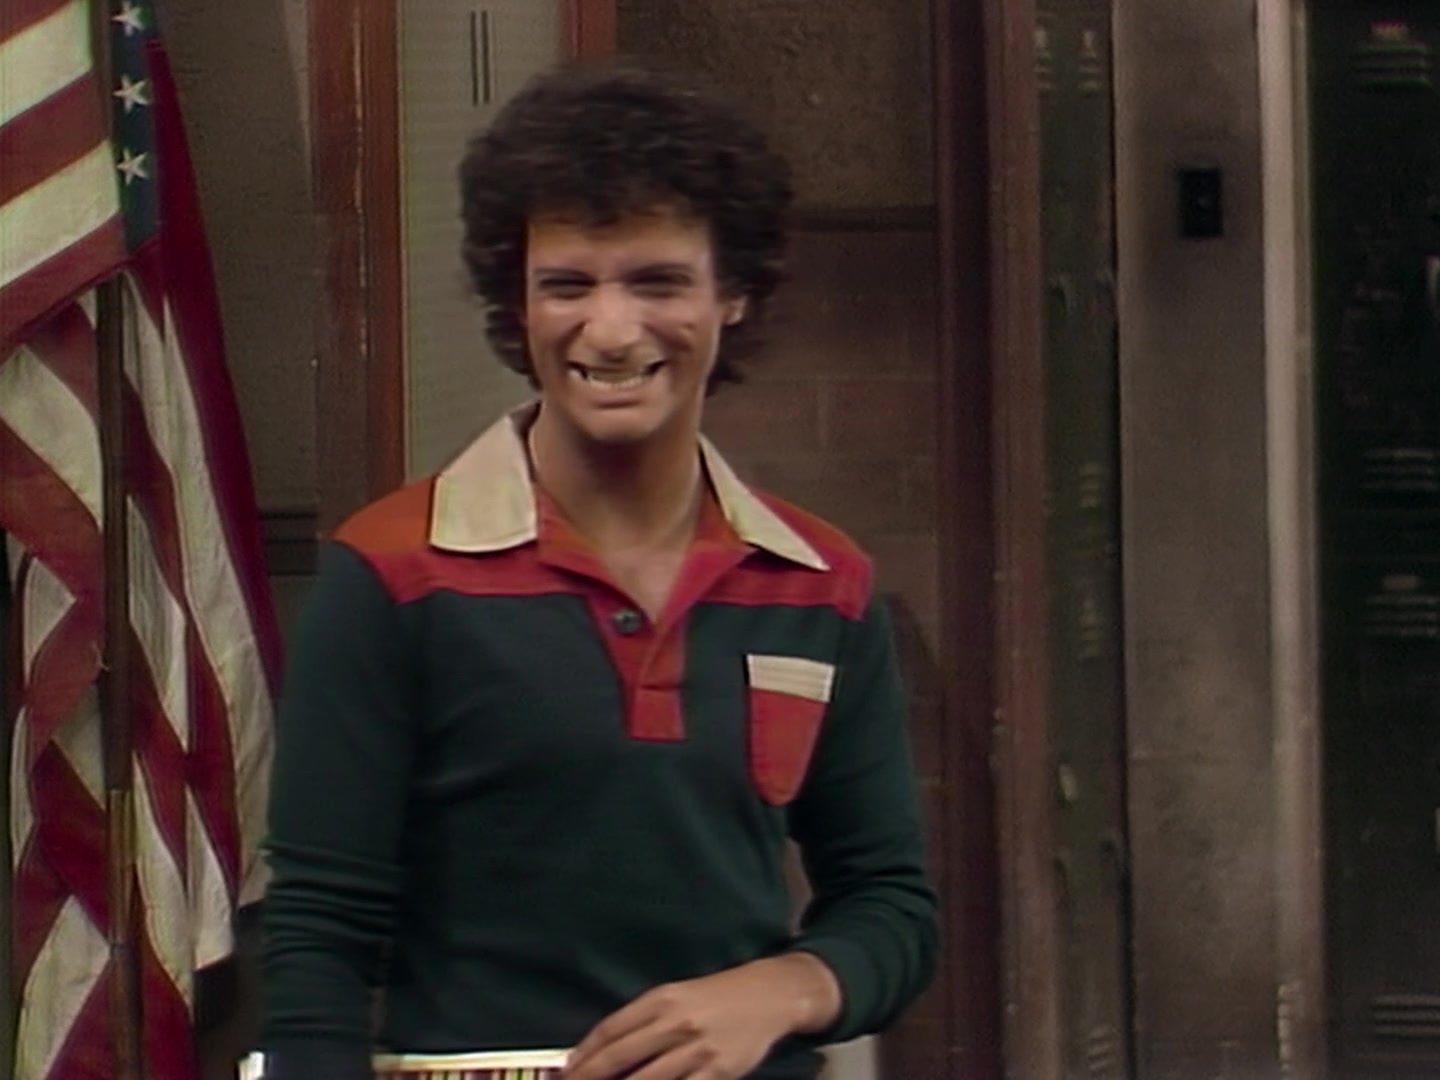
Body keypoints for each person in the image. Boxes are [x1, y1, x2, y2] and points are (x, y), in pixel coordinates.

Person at [257, 61, 938, 1080]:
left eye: (658, 281)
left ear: (734, 294)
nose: (611, 331)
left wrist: (783, 989)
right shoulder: (394, 573)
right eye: (568, 285)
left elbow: (892, 906)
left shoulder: (820, 584)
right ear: (518, 303)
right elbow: (320, 931)